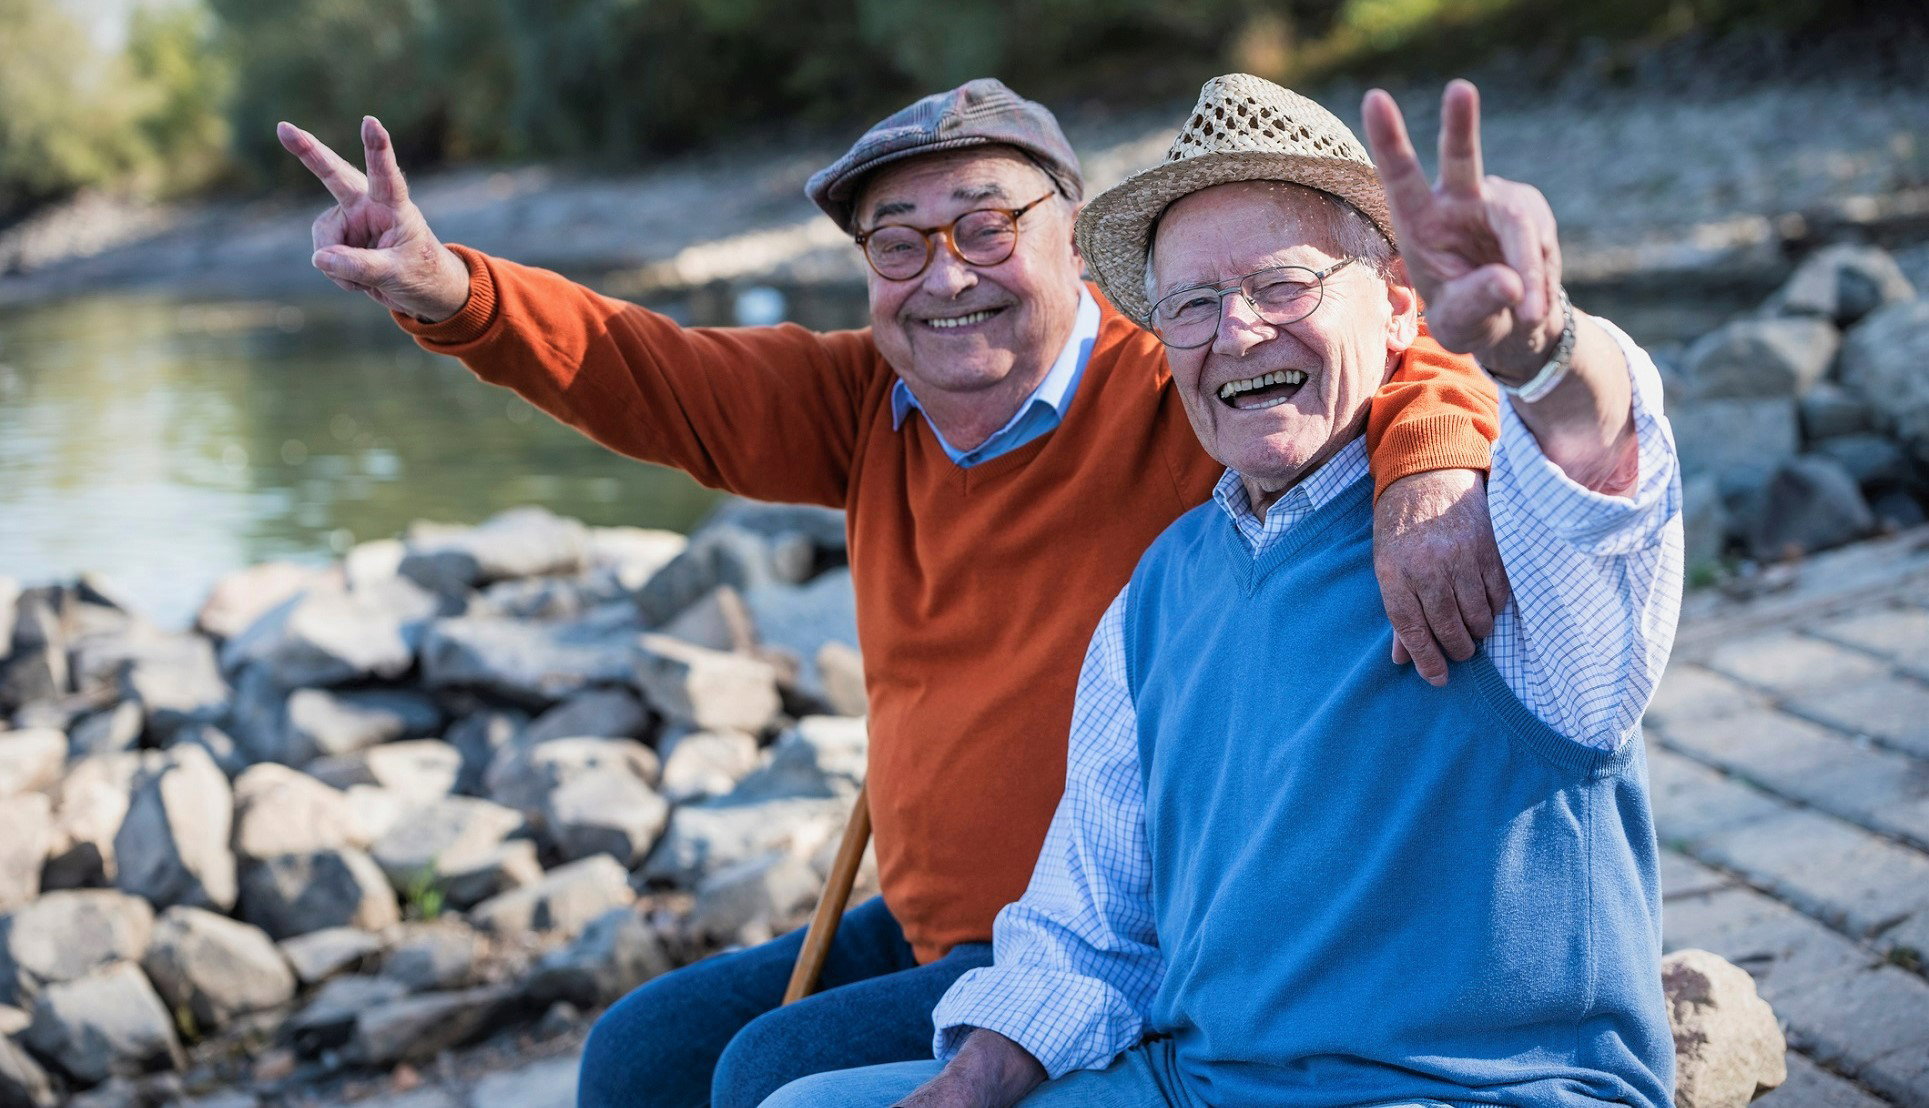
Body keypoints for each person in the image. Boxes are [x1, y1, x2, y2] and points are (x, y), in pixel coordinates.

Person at [277, 79, 1509, 1107]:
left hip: (1124, 935)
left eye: (985, 227)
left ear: (1072, 240)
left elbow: (1397, 353)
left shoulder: (1181, 371)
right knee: (636, 1055)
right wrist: (452, 292)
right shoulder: (864, 404)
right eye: (897, 243)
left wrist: (1436, 458)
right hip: (935, 924)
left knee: (765, 1070)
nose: (944, 275)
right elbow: (642, 368)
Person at [770, 72, 1682, 1108]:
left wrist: (1541, 345)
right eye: (1192, 304)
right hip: (1195, 1083)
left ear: (1396, 308)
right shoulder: (1156, 595)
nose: (1238, 332)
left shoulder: (1496, 527)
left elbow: (1603, 458)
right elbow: (1092, 929)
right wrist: (968, 1085)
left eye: (1284, 286)